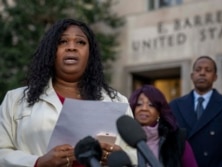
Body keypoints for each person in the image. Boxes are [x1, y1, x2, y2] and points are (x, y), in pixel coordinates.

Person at [0, 18, 137, 167]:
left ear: (90, 54)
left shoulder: (117, 101)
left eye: (80, 42)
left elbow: (136, 153)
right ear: (51, 52)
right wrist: (37, 163)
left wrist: (118, 156)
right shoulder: (15, 99)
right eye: (62, 42)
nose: (71, 47)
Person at [169, 56, 222, 167]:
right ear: (192, 76)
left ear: (215, 77)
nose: (202, 73)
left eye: (208, 70)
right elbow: (169, 147)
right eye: (198, 70)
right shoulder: (174, 106)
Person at [129, 85, 198, 167]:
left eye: (151, 105)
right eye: (139, 104)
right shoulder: (123, 138)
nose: (144, 108)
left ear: (159, 112)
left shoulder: (177, 140)